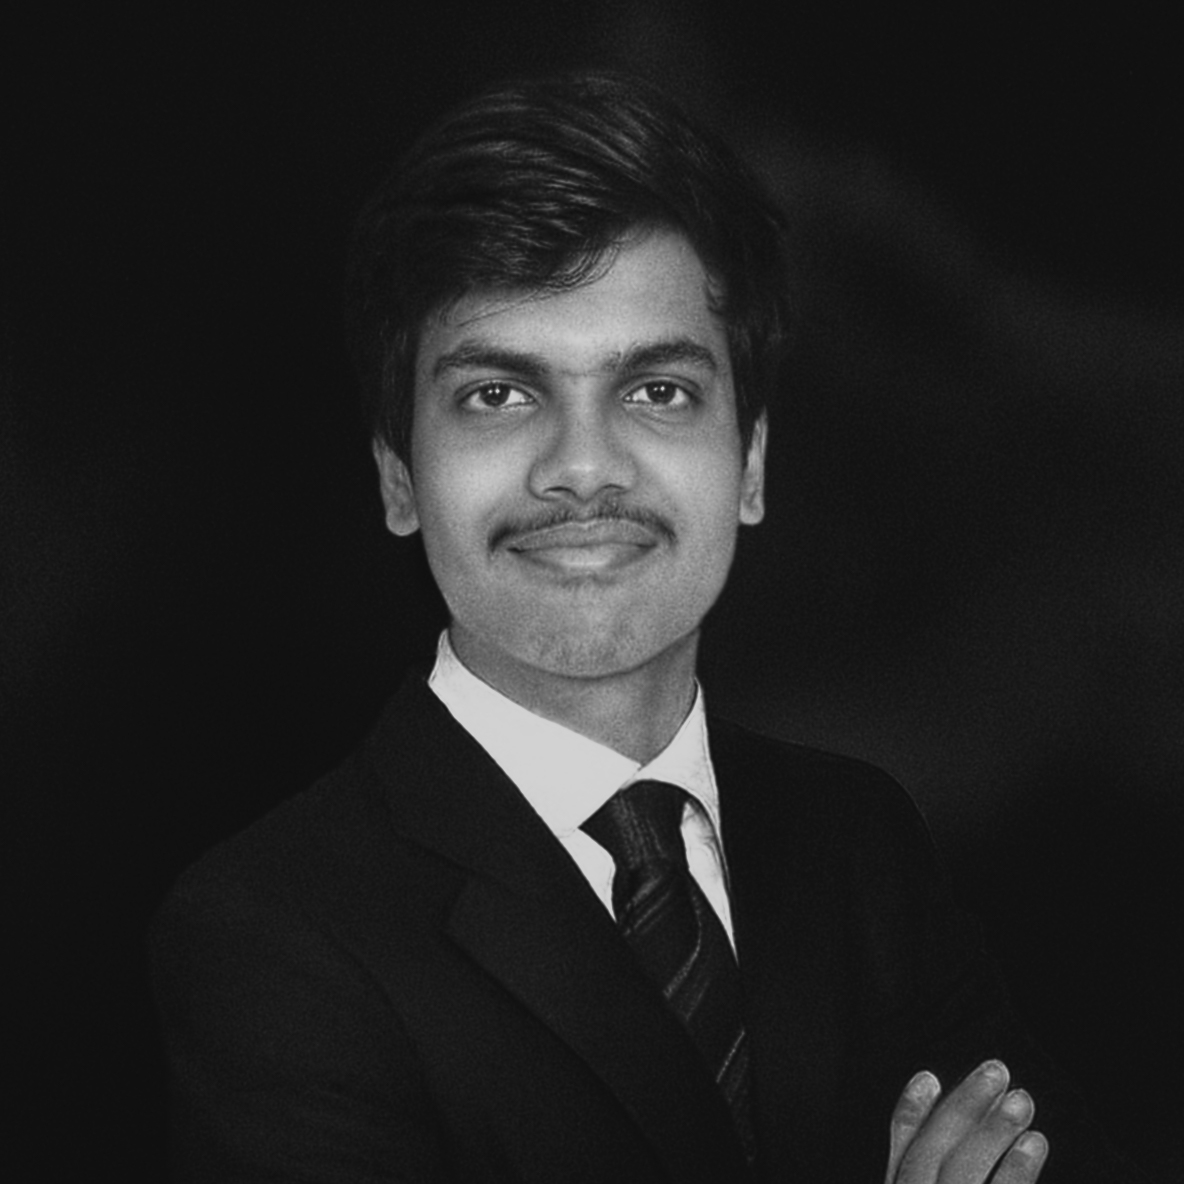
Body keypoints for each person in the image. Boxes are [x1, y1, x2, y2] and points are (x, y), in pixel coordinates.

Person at [150, 72, 1137, 1182]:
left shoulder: (856, 846)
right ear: (397, 477)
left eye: (657, 390)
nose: (583, 467)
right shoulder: (274, 930)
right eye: (498, 394)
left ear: (749, 463)